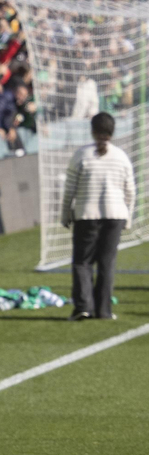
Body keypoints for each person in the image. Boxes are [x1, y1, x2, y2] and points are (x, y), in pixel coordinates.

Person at [62, 112, 137, 321]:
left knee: (82, 262)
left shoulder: (81, 155)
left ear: (92, 130)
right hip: (115, 215)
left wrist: (65, 213)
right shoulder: (121, 157)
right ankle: (104, 310)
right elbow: (130, 191)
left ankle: (83, 307)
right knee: (107, 263)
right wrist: (128, 217)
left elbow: (70, 189)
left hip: (87, 214)